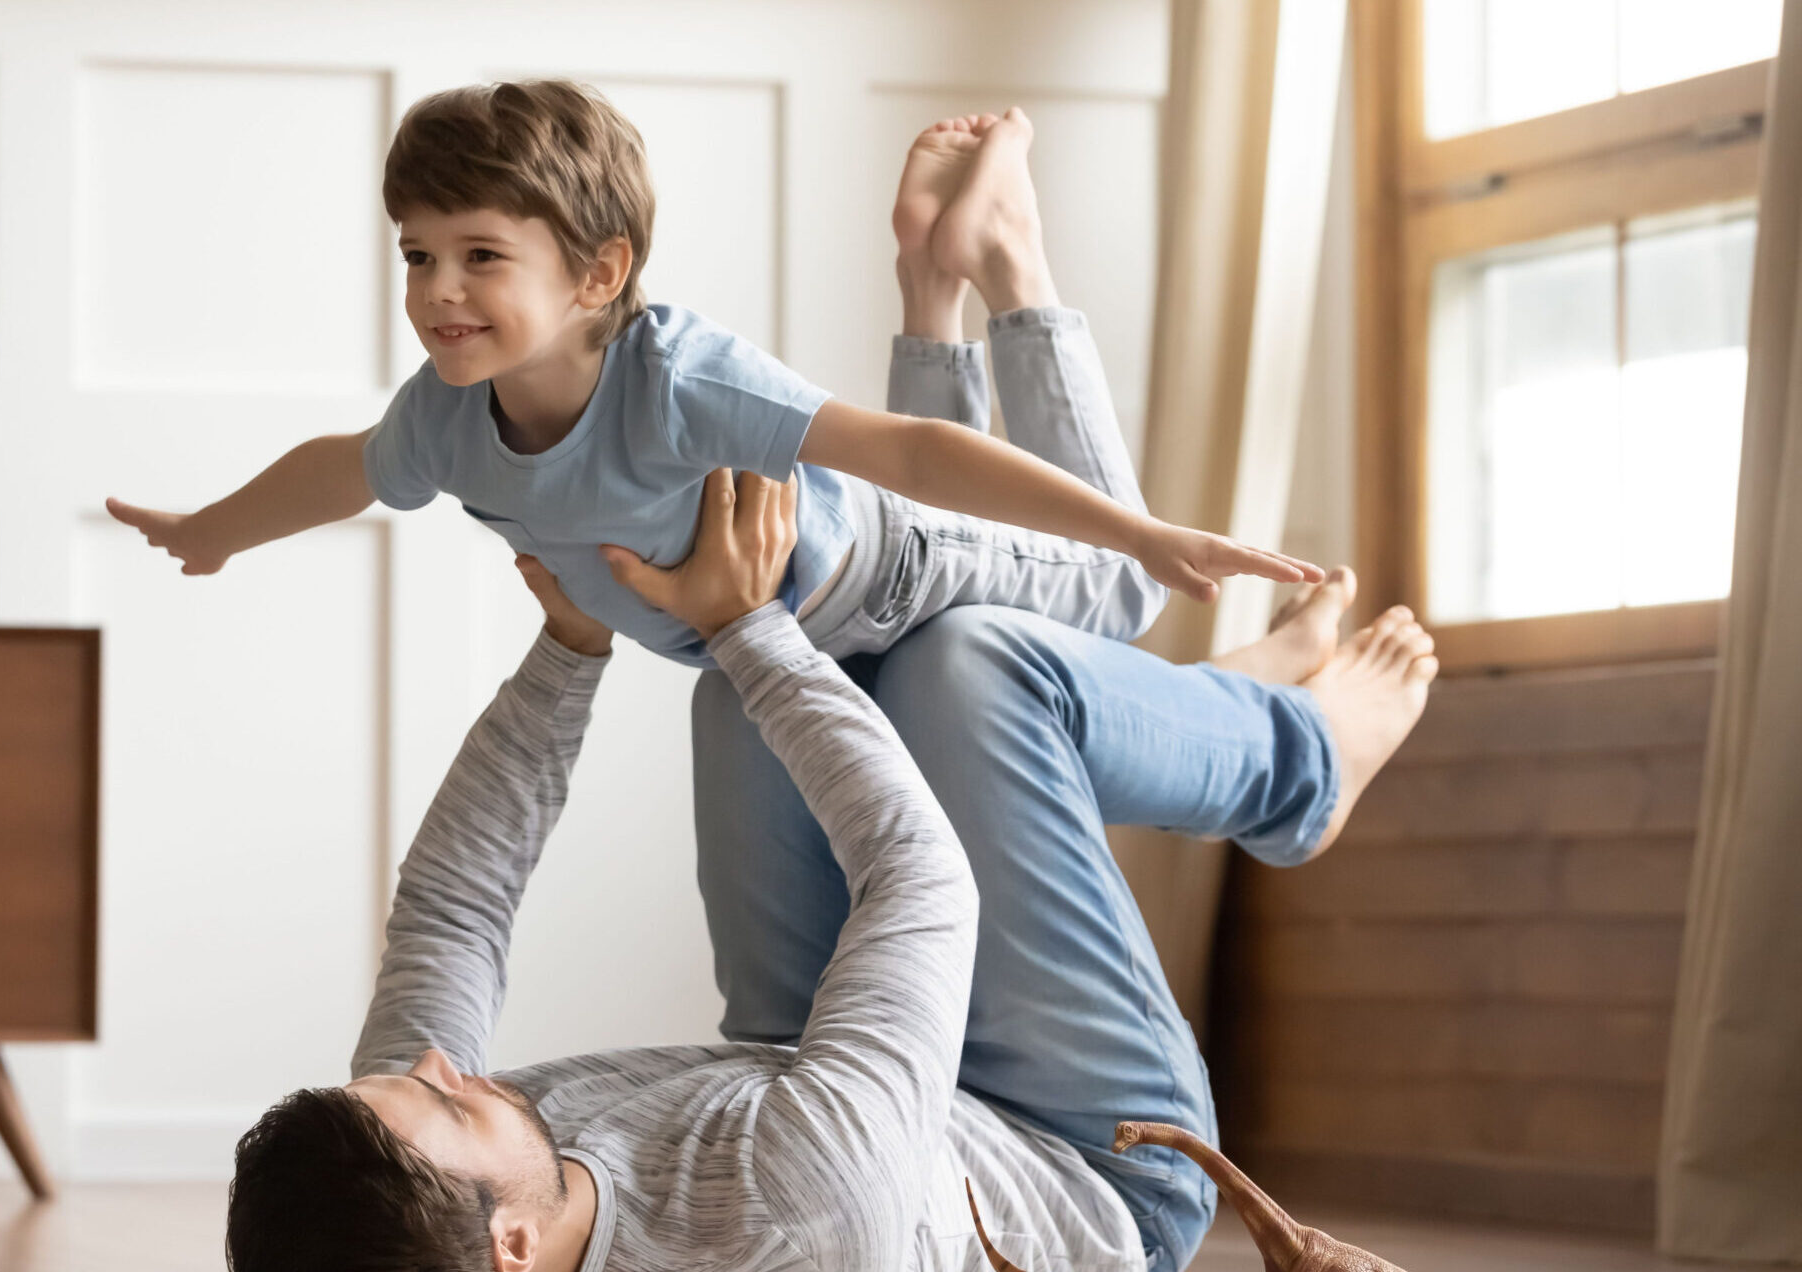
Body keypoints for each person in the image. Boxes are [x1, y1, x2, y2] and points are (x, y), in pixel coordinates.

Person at [220, 462, 1434, 1272]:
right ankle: (1298, 761)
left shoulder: (408, 1189)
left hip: (813, 1075)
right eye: (441, 1099)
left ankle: (1209, 698)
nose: (441, 1066)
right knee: (968, 669)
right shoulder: (799, 1211)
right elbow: (921, 878)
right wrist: (748, 625)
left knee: (747, 705)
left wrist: (568, 643)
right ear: (516, 1248)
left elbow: (453, 910)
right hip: (1080, 1152)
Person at [105, 82, 1321, 679]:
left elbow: (900, 452)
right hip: (797, 634)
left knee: (1122, 600)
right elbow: (348, 468)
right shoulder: (444, 418)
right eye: (418, 254)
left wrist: (1141, 529)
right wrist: (216, 530)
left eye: (481, 257)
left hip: (887, 572)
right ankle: (935, 274)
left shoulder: (675, 376)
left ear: (597, 273)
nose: (437, 290)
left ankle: (1008, 264)